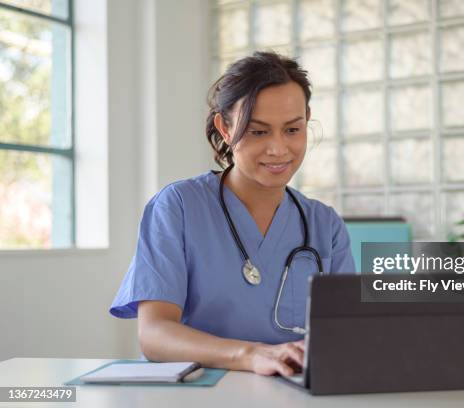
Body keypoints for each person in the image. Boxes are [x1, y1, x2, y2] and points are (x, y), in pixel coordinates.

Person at [109, 51, 356, 377]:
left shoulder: (325, 225)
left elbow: (347, 334)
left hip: (292, 395)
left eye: (293, 130)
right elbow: (154, 335)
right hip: (198, 394)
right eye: (258, 132)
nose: (279, 149)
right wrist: (251, 355)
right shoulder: (179, 207)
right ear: (225, 128)